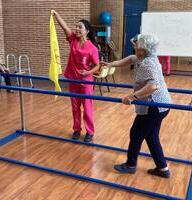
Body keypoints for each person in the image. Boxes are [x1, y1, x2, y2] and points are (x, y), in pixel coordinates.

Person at [102, 34, 172, 178]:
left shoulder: (148, 63)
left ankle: (130, 165)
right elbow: (129, 59)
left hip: (154, 106)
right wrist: (111, 64)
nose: (135, 47)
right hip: (162, 105)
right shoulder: (142, 58)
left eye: (138, 46)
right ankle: (163, 169)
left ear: (145, 49)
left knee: (136, 133)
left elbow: (153, 86)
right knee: (151, 136)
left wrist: (132, 97)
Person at [52, 10, 100, 142]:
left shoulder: (92, 48)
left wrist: (88, 72)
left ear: (87, 31)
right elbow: (65, 27)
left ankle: (90, 132)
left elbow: (97, 66)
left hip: (86, 82)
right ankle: (77, 129)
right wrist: (56, 15)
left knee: (87, 107)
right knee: (75, 107)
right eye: (77, 26)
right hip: (73, 79)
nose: (77, 29)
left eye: (80, 27)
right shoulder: (73, 39)